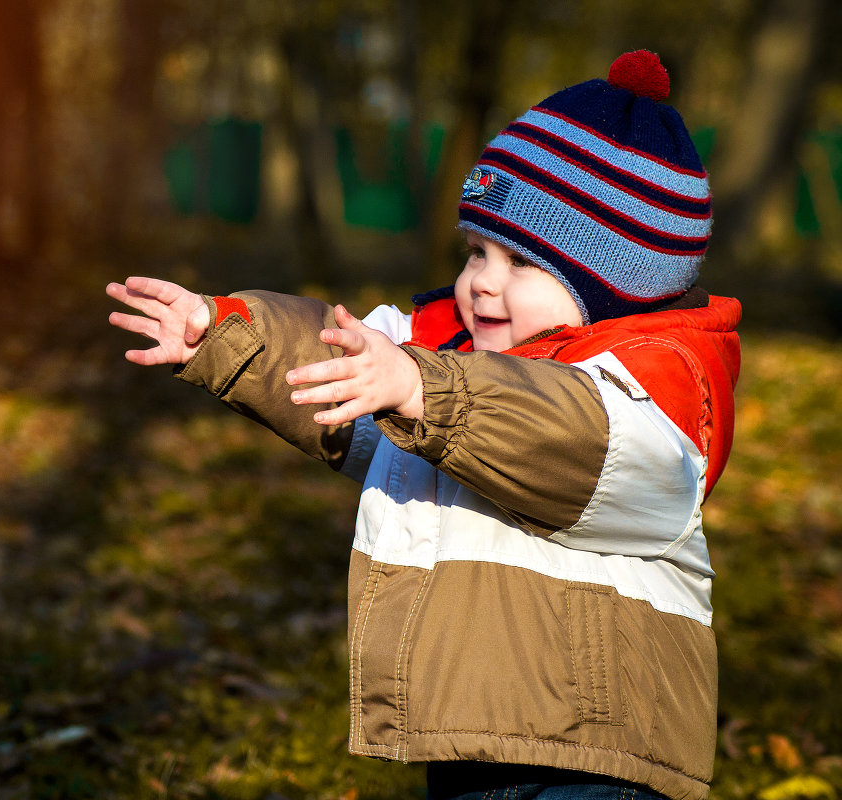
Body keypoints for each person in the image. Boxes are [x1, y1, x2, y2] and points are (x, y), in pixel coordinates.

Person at [107, 50, 741, 800]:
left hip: (597, 751)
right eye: (477, 251)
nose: (482, 283)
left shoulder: (652, 388)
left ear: (616, 286)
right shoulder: (445, 359)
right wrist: (224, 332)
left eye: (525, 264)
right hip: (474, 734)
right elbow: (336, 358)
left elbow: (570, 438)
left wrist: (417, 384)